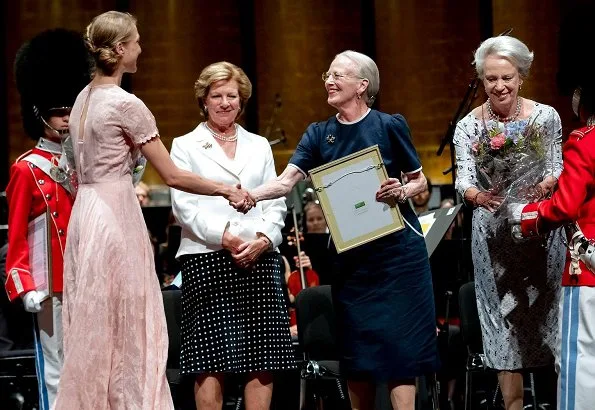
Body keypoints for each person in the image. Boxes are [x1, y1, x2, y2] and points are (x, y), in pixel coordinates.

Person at [53, 12, 253, 409]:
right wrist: (224, 188)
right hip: (114, 215)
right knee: (127, 318)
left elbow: (70, 170)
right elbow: (173, 175)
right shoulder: (127, 104)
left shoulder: (81, 100)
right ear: (122, 49)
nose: (142, 47)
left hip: (86, 213)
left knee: (96, 316)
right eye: (138, 41)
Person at [250, 50, 439, 410]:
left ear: (362, 86)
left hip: (398, 257)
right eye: (328, 74)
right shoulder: (319, 134)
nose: (329, 81)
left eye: (339, 75)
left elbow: (419, 180)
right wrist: (250, 195)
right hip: (354, 259)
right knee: (358, 351)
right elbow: (286, 181)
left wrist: (401, 190)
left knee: (402, 349)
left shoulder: (389, 125)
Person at [169, 61, 295, 410]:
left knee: (263, 355)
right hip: (206, 257)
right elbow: (184, 207)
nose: (225, 103)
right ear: (204, 100)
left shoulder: (259, 145)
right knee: (209, 360)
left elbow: (276, 201)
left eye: (232, 96)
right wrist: (223, 237)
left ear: (242, 101)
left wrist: (265, 240)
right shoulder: (185, 145)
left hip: (260, 257)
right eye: (217, 96)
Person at [453, 35, 565, 410]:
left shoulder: (545, 116)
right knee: (501, 321)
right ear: (481, 80)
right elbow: (463, 178)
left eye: (507, 77)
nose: (499, 86)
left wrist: (544, 186)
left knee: (548, 315)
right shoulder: (469, 125)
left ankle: (554, 402)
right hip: (494, 233)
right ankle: (512, 406)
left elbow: (556, 166)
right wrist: (478, 197)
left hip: (540, 229)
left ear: (522, 76)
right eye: (490, 79)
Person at [3, 29, 92, 409]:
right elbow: (18, 232)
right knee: (56, 371)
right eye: (59, 112)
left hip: (88, 276)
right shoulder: (26, 168)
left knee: (89, 365)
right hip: (50, 284)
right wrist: (23, 283)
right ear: (39, 114)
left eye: (70, 109)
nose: (67, 118)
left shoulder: (86, 162)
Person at [518, 6, 595, 409]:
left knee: (580, 364)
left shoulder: (585, 139)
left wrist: (528, 216)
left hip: (588, 273)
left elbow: (565, 206)